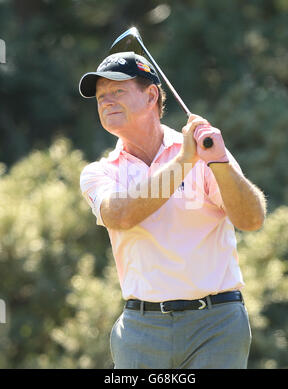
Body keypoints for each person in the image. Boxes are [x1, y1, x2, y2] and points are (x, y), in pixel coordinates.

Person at [79, 51, 267, 369]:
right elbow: (120, 215)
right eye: (100, 96)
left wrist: (218, 163)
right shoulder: (99, 172)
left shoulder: (205, 152)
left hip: (217, 325)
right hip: (140, 329)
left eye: (117, 91)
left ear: (151, 94)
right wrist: (185, 162)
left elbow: (251, 219)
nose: (106, 101)